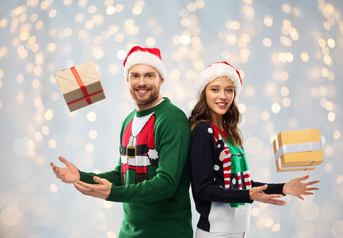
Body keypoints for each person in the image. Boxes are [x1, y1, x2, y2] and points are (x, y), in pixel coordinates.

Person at [50, 46, 193, 238]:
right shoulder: (128, 121)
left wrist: (113, 194)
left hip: (166, 233)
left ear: (161, 79)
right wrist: (81, 176)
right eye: (135, 76)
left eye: (149, 75)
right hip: (129, 232)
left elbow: (166, 184)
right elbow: (122, 174)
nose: (141, 82)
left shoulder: (172, 120)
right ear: (127, 80)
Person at [188, 61, 320, 238]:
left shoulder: (230, 133)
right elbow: (202, 190)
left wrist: (283, 188)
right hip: (215, 231)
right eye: (215, 89)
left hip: (238, 229)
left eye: (229, 90)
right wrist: (248, 195)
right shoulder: (203, 131)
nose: (223, 96)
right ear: (204, 93)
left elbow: (238, 184)